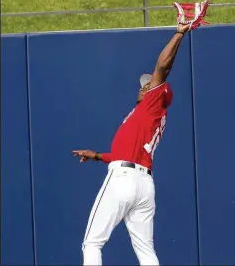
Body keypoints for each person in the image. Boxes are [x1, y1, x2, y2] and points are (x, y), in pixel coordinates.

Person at [73, 22, 190, 265]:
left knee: (92, 242)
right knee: (146, 250)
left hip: (124, 179)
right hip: (143, 184)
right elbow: (125, 153)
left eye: (147, 85)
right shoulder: (151, 117)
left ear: (155, 93)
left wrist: (179, 33)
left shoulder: (151, 105)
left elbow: (163, 66)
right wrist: (96, 156)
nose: (143, 87)